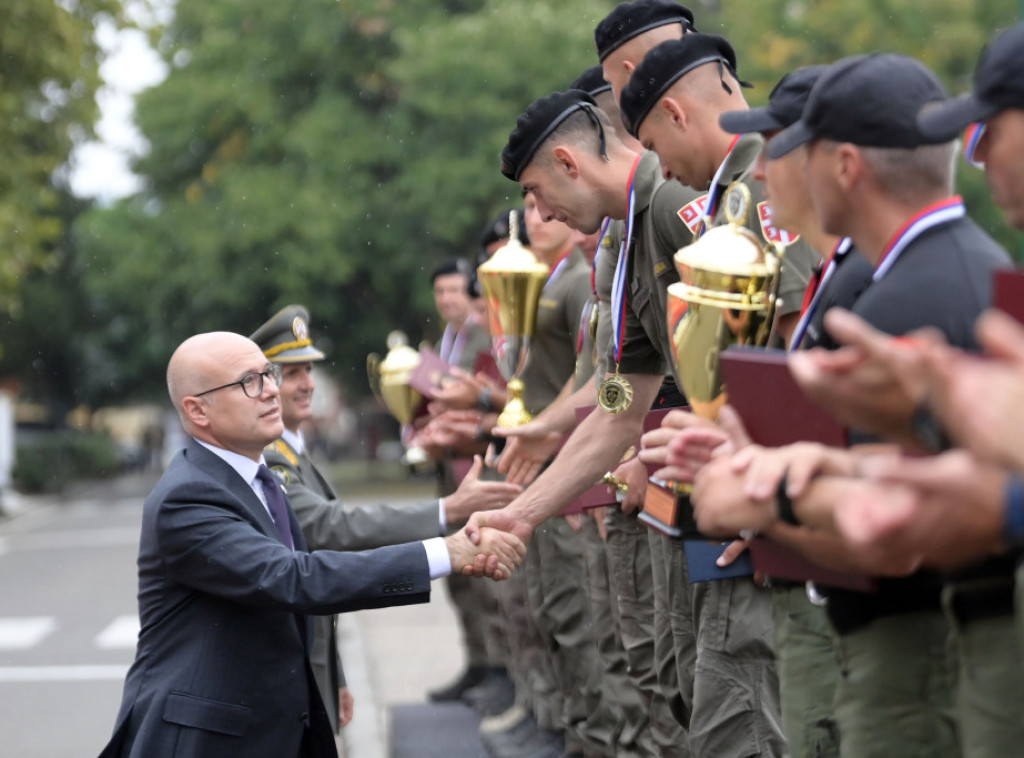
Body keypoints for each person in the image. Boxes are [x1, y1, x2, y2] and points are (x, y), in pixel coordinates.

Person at [694, 52, 1016, 757]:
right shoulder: (942, 268)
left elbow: (894, 540)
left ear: (843, 167)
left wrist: (756, 494)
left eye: (794, 151)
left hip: (920, 663)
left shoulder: (905, 297)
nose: (778, 168)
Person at [98, 331, 524, 758]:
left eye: (269, 374)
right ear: (197, 410)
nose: (271, 390)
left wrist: (329, 677)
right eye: (249, 382)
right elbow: (293, 579)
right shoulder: (188, 497)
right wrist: (444, 552)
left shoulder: (257, 478)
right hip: (207, 740)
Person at [248, 304, 522, 737]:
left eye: (308, 371)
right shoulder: (274, 459)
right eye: (289, 374)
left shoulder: (292, 451)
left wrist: (334, 675)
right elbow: (328, 528)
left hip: (311, 663)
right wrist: (445, 513)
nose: (306, 385)